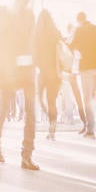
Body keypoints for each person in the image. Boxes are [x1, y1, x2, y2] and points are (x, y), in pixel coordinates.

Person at [0, 0, 41, 171]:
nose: (27, 1)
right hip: (8, 70)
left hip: (26, 69)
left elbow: (31, 41)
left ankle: (26, 155)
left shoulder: (29, 15)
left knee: (31, 113)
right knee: (4, 110)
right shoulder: (3, 12)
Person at [69, 12, 96, 138]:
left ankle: (90, 129)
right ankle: (94, 124)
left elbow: (71, 46)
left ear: (79, 20)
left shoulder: (79, 30)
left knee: (87, 99)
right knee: (93, 96)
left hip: (85, 68)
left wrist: (79, 49)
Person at [35, 10, 66, 140]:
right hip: (56, 74)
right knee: (52, 101)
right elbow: (64, 49)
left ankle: (49, 120)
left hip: (43, 73)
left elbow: (34, 55)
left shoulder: (36, 35)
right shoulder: (56, 33)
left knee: (41, 99)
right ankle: (52, 129)